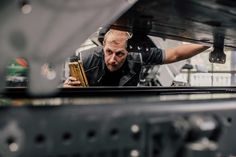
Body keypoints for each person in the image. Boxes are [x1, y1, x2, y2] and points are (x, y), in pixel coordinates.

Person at [64, 29, 209, 87]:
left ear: (128, 50)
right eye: (108, 51)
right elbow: (65, 90)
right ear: (103, 45)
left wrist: (208, 43)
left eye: (119, 53)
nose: (112, 59)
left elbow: (175, 54)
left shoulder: (137, 55)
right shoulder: (84, 60)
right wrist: (65, 88)